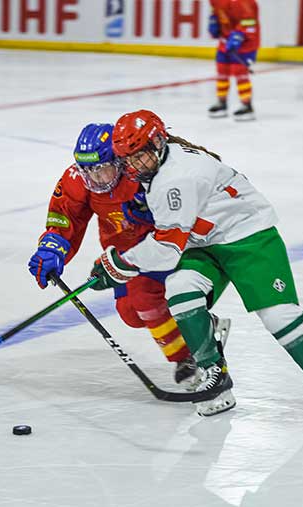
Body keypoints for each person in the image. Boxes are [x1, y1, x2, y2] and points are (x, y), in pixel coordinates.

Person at [90, 109, 303, 418]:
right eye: (127, 159)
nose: (132, 165)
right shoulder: (160, 165)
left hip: (249, 239)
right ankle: (215, 376)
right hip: (206, 243)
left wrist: (120, 265)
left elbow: (167, 249)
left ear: (157, 143)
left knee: (278, 317)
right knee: (180, 289)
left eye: (138, 156)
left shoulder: (176, 178)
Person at [27, 123, 230, 390]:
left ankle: (188, 356)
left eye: (102, 170)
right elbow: (65, 218)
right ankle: (199, 325)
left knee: (144, 298)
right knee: (130, 313)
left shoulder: (143, 173)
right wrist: (52, 248)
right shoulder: (77, 180)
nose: (95, 180)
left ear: (119, 161)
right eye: (88, 172)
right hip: (121, 254)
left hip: (163, 248)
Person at [207, 0, 260, 121]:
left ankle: (247, 105)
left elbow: (249, 21)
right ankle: (222, 102)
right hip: (225, 41)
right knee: (222, 71)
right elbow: (217, 11)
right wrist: (214, 20)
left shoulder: (243, 2)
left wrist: (239, 35)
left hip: (246, 44)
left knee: (240, 72)